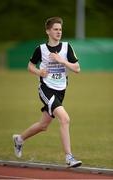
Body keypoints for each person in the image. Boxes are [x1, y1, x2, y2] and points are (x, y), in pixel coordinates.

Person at [13, 17, 82, 167]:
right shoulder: (41, 49)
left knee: (43, 125)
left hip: (60, 90)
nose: (59, 32)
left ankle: (19, 139)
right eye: (55, 29)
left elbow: (77, 69)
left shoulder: (66, 47)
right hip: (46, 88)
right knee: (64, 119)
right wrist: (39, 72)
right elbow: (30, 66)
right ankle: (69, 157)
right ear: (48, 31)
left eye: (60, 29)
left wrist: (61, 60)